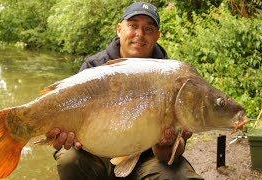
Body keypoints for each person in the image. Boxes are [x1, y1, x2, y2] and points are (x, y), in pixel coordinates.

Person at [46, 2, 203, 179]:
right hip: (99, 153)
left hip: (148, 158)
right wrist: (64, 136)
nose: (139, 34)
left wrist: (165, 145)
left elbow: (168, 155)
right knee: (69, 158)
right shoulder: (94, 66)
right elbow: (67, 125)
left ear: (157, 36)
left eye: (148, 29)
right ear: (119, 29)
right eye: (133, 25)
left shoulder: (173, 79)